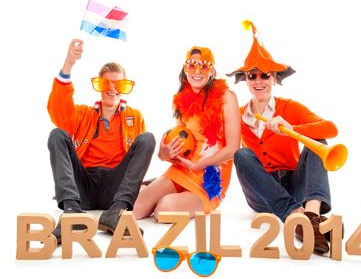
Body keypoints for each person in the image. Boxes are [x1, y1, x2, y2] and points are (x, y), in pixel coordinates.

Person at [227, 20, 340, 254]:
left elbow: (331, 128)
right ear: (246, 80)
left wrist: (293, 128)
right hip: (260, 194)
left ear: (275, 79)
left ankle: (310, 216)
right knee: (242, 154)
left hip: (294, 186)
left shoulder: (290, 107)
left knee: (318, 143)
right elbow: (216, 147)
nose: (258, 81)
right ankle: (297, 216)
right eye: (252, 76)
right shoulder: (236, 116)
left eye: (265, 75)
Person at [47, 39, 155, 243]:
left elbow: (135, 164)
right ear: (99, 86)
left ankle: (116, 213)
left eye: (119, 84)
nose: (112, 89)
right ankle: (71, 212)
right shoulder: (83, 114)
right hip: (83, 184)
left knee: (147, 139)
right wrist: (69, 63)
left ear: (124, 88)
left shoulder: (135, 117)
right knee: (57, 134)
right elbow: (58, 112)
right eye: (106, 83)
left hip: (113, 189)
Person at [133, 46, 240, 219]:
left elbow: (233, 149)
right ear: (185, 69)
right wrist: (164, 154)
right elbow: (183, 143)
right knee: (136, 207)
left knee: (164, 210)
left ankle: (156, 189)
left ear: (212, 71)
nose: (197, 71)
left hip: (210, 180)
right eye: (192, 66)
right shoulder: (181, 101)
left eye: (204, 66)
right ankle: (153, 188)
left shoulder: (227, 97)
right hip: (182, 169)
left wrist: (198, 166)